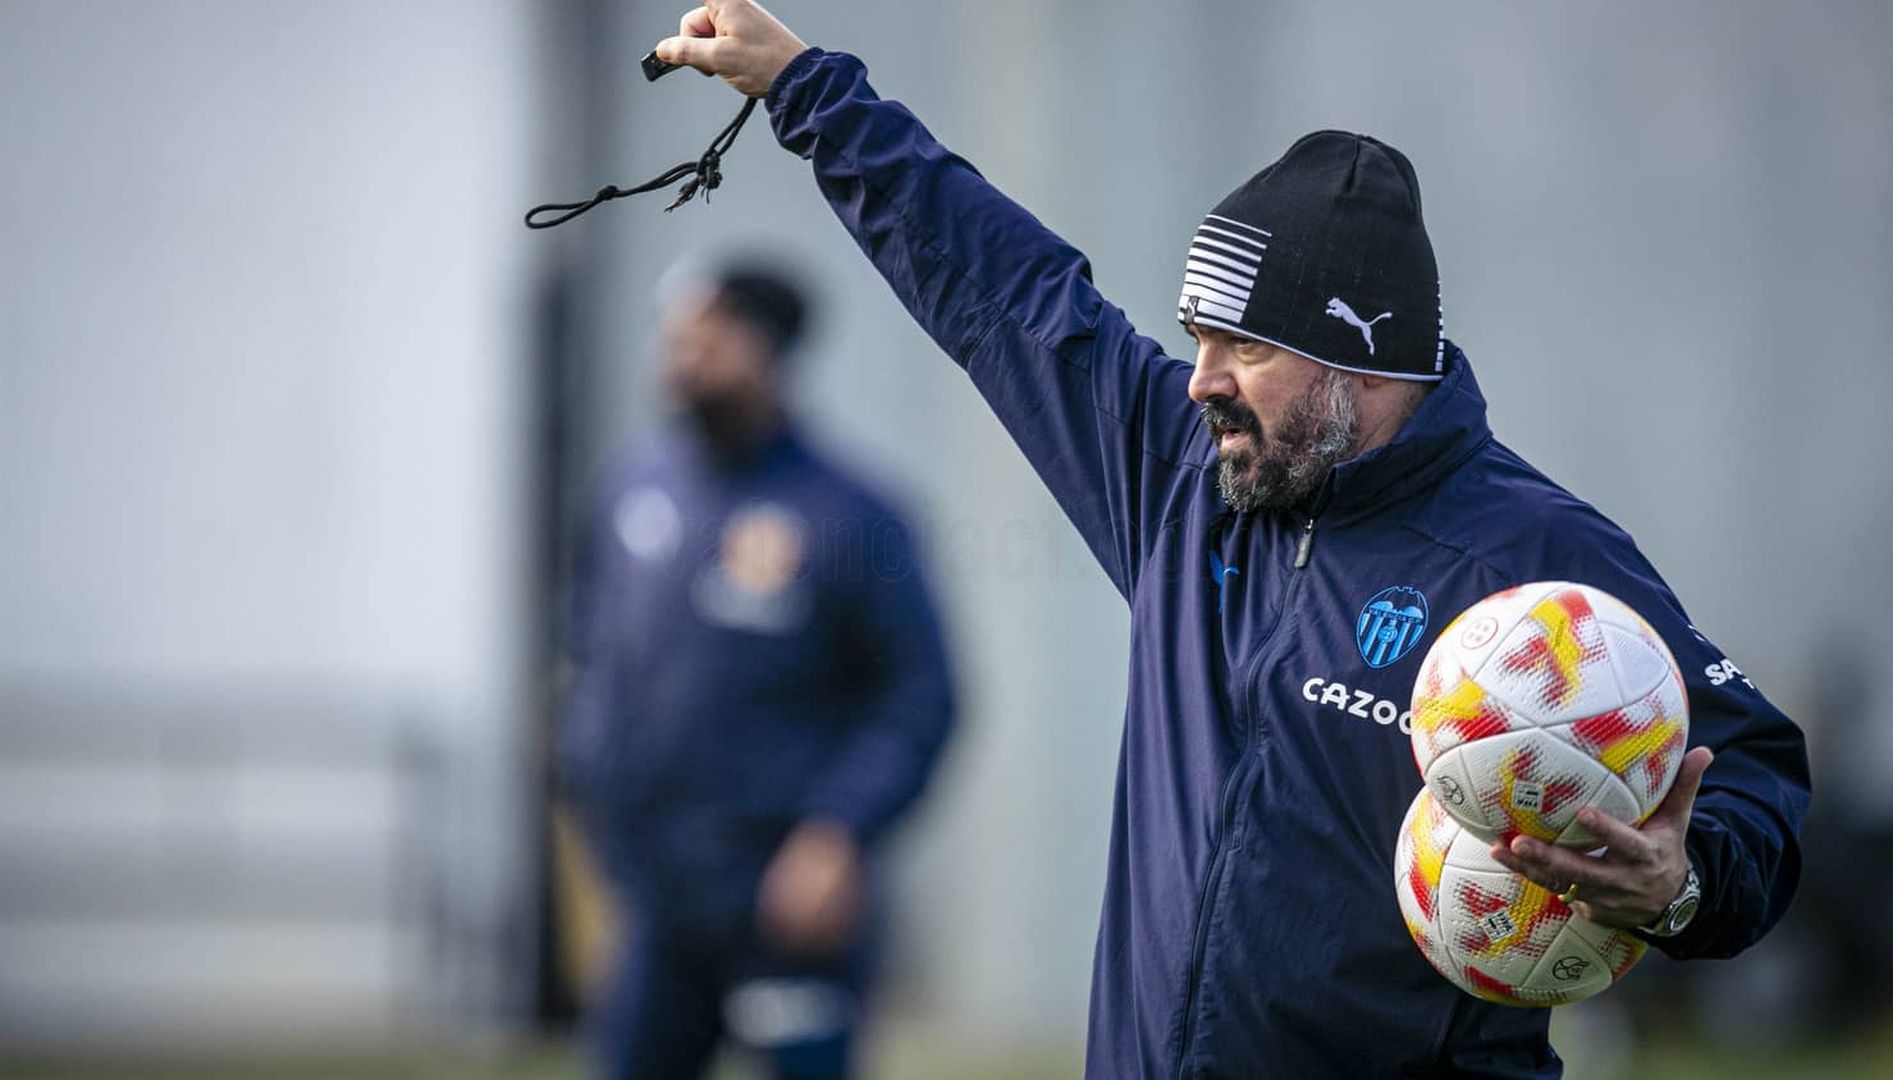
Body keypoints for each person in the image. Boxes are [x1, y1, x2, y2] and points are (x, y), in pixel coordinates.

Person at [650, 4, 1812, 1076]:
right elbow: (1000, 287)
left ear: (1360, 357)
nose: (1199, 379)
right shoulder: (1188, 480)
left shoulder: (1531, 564)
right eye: (1197, 336)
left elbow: (1755, 772)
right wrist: (807, 88)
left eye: (1242, 346)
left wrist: (1681, 883)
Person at [561, 257, 957, 1080]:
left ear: (767, 349)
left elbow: (922, 696)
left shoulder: (853, 515)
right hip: (658, 904)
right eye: (673, 341)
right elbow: (589, 654)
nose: (680, 361)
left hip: (786, 908)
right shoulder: (634, 488)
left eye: (706, 342)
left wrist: (837, 833)